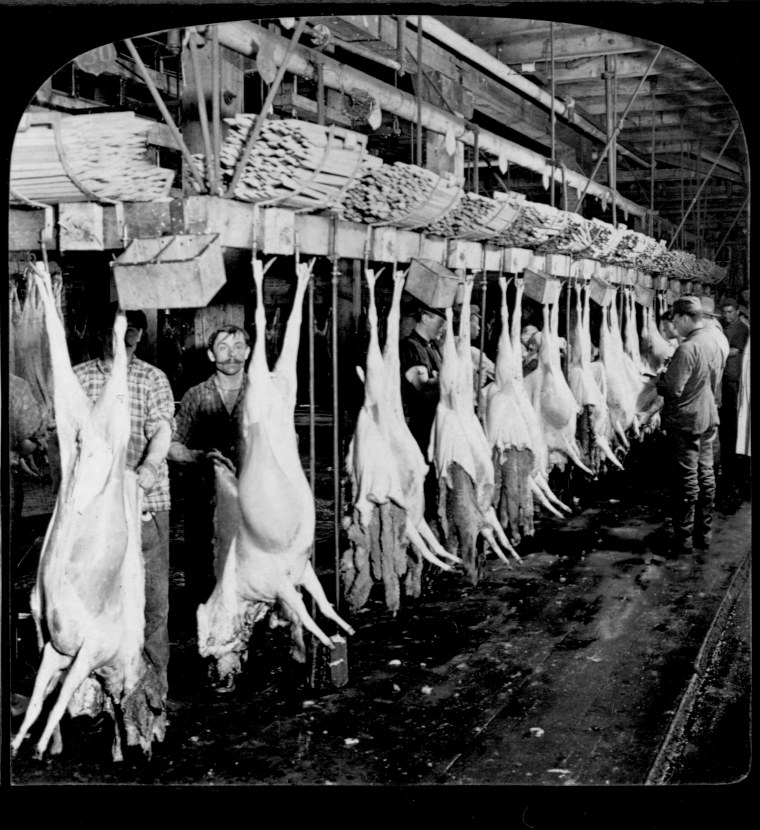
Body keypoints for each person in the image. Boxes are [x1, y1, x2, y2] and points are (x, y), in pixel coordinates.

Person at [74, 305, 175, 702]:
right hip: (93, 507)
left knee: (151, 602)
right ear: (100, 333)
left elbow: (163, 427)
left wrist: (150, 464)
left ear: (140, 335)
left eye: (133, 329)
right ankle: (93, 689)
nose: (125, 336)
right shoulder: (80, 378)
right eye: (117, 328)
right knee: (95, 594)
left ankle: (152, 692)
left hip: (146, 500)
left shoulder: (152, 377)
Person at [168, 325, 251, 610]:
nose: (232, 355)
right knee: (203, 572)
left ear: (249, 352)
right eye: (224, 348)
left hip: (253, 497)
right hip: (203, 499)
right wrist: (197, 456)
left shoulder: (262, 393)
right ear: (211, 355)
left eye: (239, 347)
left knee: (252, 566)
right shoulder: (196, 396)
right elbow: (171, 445)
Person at [654, 296, 725, 555]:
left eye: (674, 320)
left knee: (686, 478)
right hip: (708, 416)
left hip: (686, 420)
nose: (674, 326)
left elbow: (673, 389)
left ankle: (683, 538)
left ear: (684, 318)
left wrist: (659, 380)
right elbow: (714, 380)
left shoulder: (688, 348)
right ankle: (702, 534)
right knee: (706, 474)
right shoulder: (713, 342)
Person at [399, 301, 446, 453]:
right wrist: (449, 378)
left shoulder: (431, 348)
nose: (444, 328)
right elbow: (423, 388)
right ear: (426, 318)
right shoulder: (411, 347)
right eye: (442, 322)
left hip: (433, 424)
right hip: (419, 427)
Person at [717, 297, 750, 506]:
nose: (727, 316)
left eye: (730, 312)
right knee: (726, 418)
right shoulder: (723, 325)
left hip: (733, 379)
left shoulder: (740, 328)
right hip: (725, 377)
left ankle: (733, 456)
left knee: (731, 418)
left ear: (737, 311)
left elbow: (734, 351)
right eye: (725, 312)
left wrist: (714, 351)